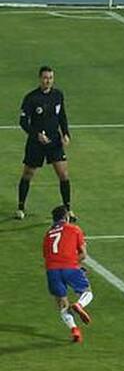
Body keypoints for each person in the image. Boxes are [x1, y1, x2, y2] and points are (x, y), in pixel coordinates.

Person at [16, 65, 75, 221]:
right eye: (45, 78)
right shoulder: (31, 98)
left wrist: (66, 134)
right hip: (36, 143)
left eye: (50, 78)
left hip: (54, 141)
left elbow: (62, 115)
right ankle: (21, 207)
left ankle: (68, 210)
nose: (47, 81)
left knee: (63, 174)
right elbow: (23, 122)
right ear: (40, 79)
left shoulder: (58, 95)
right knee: (28, 174)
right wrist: (36, 135)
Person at [43, 205, 93, 343]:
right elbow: (83, 254)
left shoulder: (48, 235)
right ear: (66, 217)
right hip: (70, 267)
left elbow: (47, 256)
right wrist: (76, 265)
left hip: (52, 270)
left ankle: (74, 330)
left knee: (62, 303)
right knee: (87, 292)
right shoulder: (75, 229)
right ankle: (80, 305)